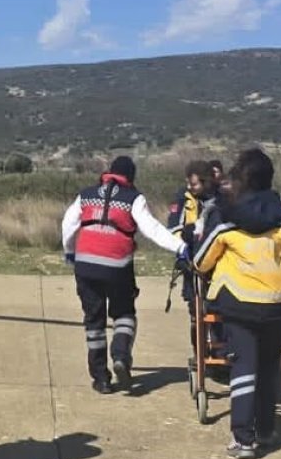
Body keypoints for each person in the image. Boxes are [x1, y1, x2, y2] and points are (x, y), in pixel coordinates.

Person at [191, 148, 281, 459]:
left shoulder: (225, 217)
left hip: (238, 302)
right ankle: (266, 430)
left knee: (243, 365)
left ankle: (243, 438)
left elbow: (201, 261)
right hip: (277, 304)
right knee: (268, 365)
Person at [61, 156, 187, 394]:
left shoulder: (86, 194)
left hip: (85, 264)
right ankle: (120, 355)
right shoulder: (133, 198)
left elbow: (68, 224)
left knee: (94, 321)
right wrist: (180, 247)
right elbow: (152, 229)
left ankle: (101, 379)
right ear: (131, 176)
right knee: (124, 313)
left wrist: (69, 252)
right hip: (117, 265)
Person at [166, 160, 225, 366]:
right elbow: (174, 228)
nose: (190, 187)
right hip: (191, 261)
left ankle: (220, 352)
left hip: (220, 265)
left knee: (219, 311)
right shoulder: (183, 198)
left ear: (207, 182)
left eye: (194, 184)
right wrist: (182, 251)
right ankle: (200, 353)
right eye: (189, 183)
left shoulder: (223, 198)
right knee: (196, 312)